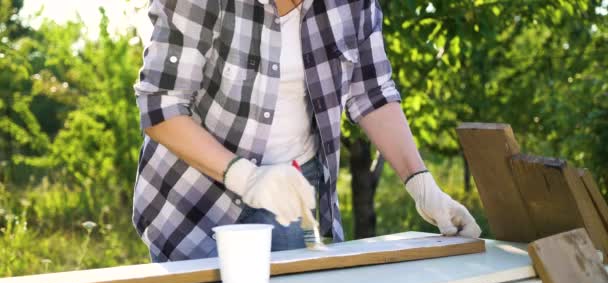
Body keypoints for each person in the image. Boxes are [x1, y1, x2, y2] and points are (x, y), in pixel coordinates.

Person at [132, 0, 481, 263]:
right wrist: (247, 178)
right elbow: (162, 104)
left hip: (294, 188)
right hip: (196, 197)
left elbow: (371, 92)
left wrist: (421, 183)